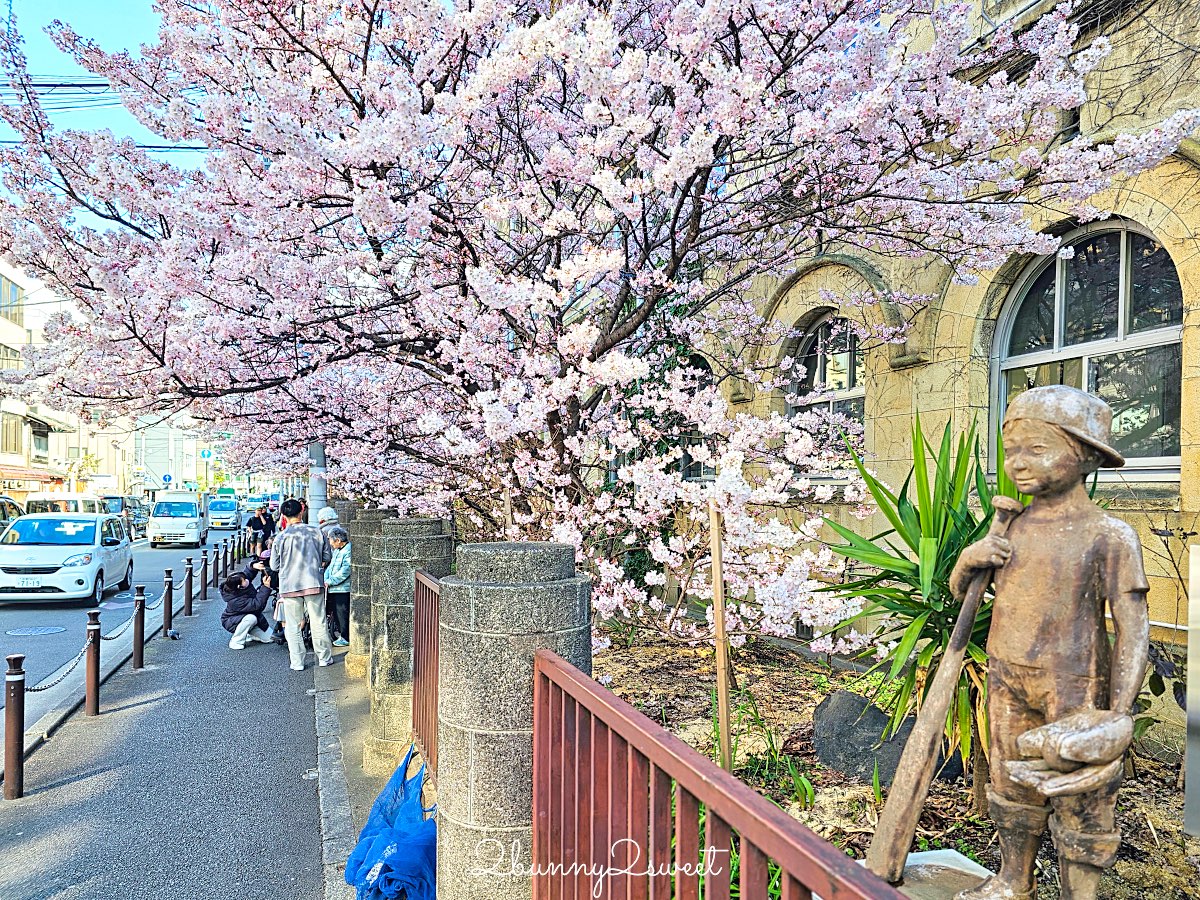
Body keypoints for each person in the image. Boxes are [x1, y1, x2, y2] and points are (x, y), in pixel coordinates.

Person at [950, 386, 1149, 900]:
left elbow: (1133, 626)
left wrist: (1118, 713)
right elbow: (966, 597)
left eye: (1036, 450)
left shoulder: (1108, 532)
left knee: (1082, 795)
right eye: (1011, 450)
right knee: (1010, 785)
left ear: (1084, 455)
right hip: (1005, 676)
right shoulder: (1009, 527)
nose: (1017, 464)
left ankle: (1077, 893)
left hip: (1076, 685)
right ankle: (1015, 878)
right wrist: (967, 563)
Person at [270, 497, 334, 671]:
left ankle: (297, 662)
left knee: (293, 624)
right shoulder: (317, 532)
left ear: (283, 515)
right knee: (318, 621)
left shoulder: (280, 537)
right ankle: (324, 658)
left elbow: (274, 566)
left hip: (289, 585)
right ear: (302, 511)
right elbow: (327, 557)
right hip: (313, 582)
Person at [219, 571, 274, 650]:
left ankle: (250, 633)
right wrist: (266, 587)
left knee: (271, 638)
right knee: (251, 618)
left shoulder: (239, 586)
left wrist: (253, 566)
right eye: (244, 580)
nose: (247, 580)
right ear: (239, 586)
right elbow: (256, 604)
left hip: (251, 619)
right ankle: (236, 641)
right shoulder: (235, 601)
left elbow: (248, 573)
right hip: (232, 622)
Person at [324, 525, 351, 646]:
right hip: (334, 588)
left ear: (338, 540)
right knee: (336, 612)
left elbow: (346, 570)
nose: (330, 543)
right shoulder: (337, 551)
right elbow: (330, 567)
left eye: (330, 540)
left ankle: (345, 637)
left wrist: (330, 581)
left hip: (342, 588)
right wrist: (326, 578)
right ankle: (341, 634)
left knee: (342, 613)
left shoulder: (348, 550)